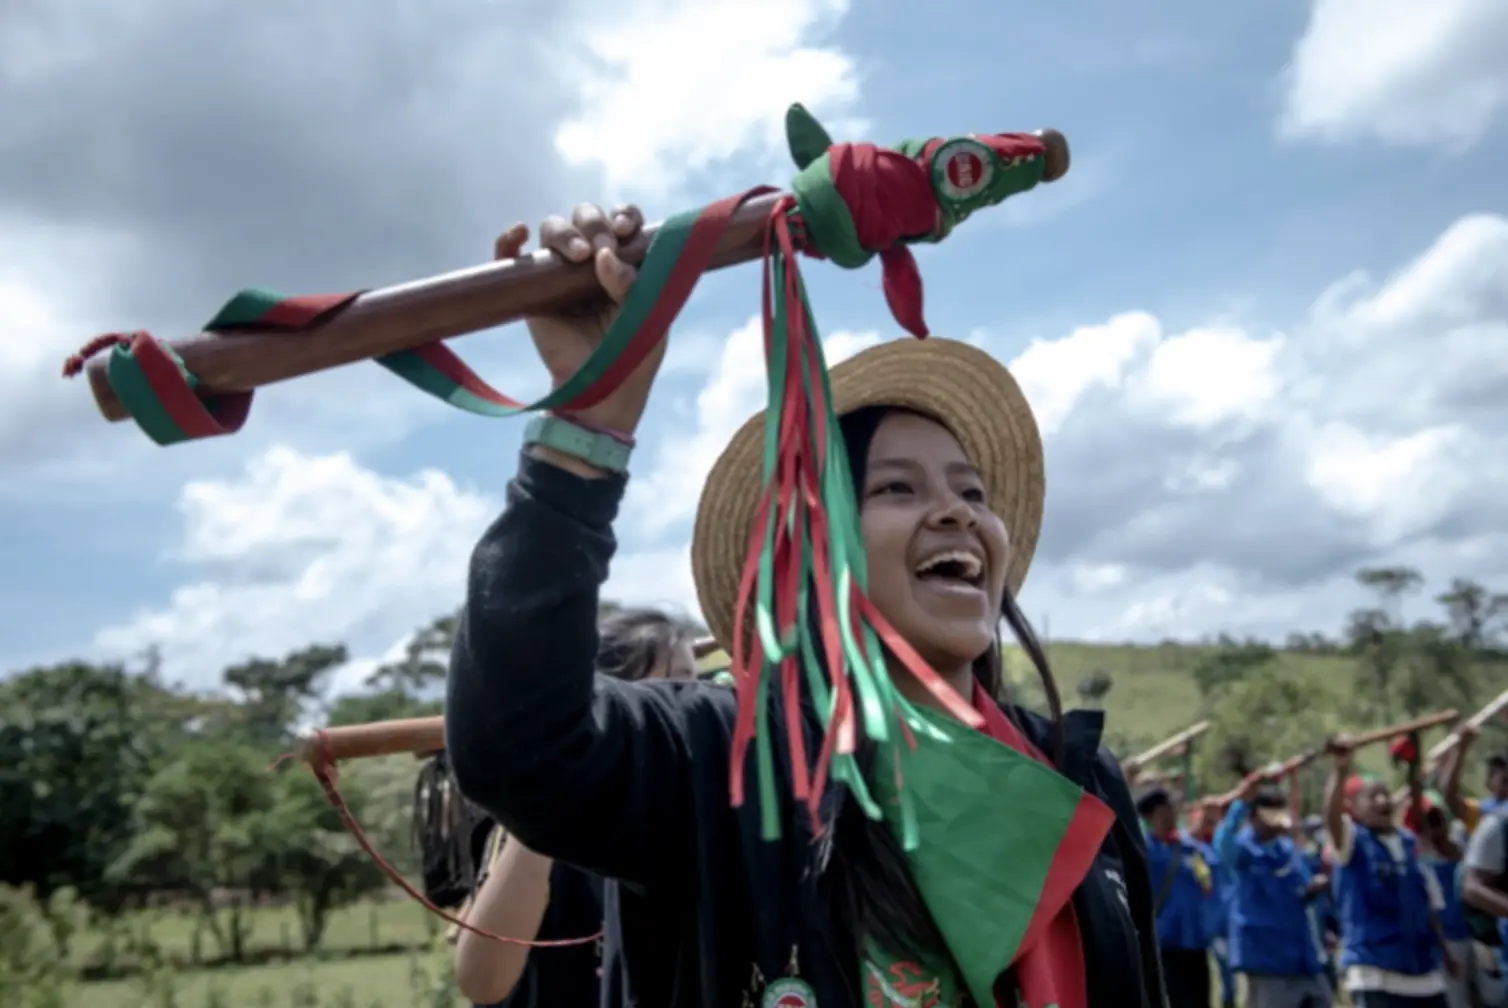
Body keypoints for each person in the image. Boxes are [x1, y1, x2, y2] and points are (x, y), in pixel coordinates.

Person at [445, 202, 1167, 1007]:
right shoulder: (728, 757)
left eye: (972, 491)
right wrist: (589, 421)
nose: (959, 511)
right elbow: (520, 745)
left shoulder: (1072, 776)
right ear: (811, 553)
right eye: (896, 487)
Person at [453, 607, 697, 1007]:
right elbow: (483, 982)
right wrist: (550, 799)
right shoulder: (544, 817)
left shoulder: (700, 806)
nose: (686, 707)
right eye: (664, 691)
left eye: (689, 685)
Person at [1325, 736, 1455, 1007]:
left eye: (1386, 794)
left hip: (1424, 971)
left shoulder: (1409, 844)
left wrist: (1445, 951)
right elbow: (1332, 818)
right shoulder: (1352, 844)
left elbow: (1427, 904)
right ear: (1353, 808)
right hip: (1376, 972)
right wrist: (1340, 768)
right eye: (1373, 797)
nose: (1383, 801)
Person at [1213, 778, 1332, 1008]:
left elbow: (1301, 886)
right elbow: (1223, 843)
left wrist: (1314, 887)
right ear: (1254, 817)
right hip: (1265, 956)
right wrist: (1240, 801)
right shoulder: (1243, 851)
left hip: (1301, 953)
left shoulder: (1288, 849)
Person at [1139, 787, 1217, 1008]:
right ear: (1151, 816)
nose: (1172, 813)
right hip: (1165, 943)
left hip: (1195, 941)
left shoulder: (1190, 849)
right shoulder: (1144, 850)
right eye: (1166, 809)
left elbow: (1213, 871)